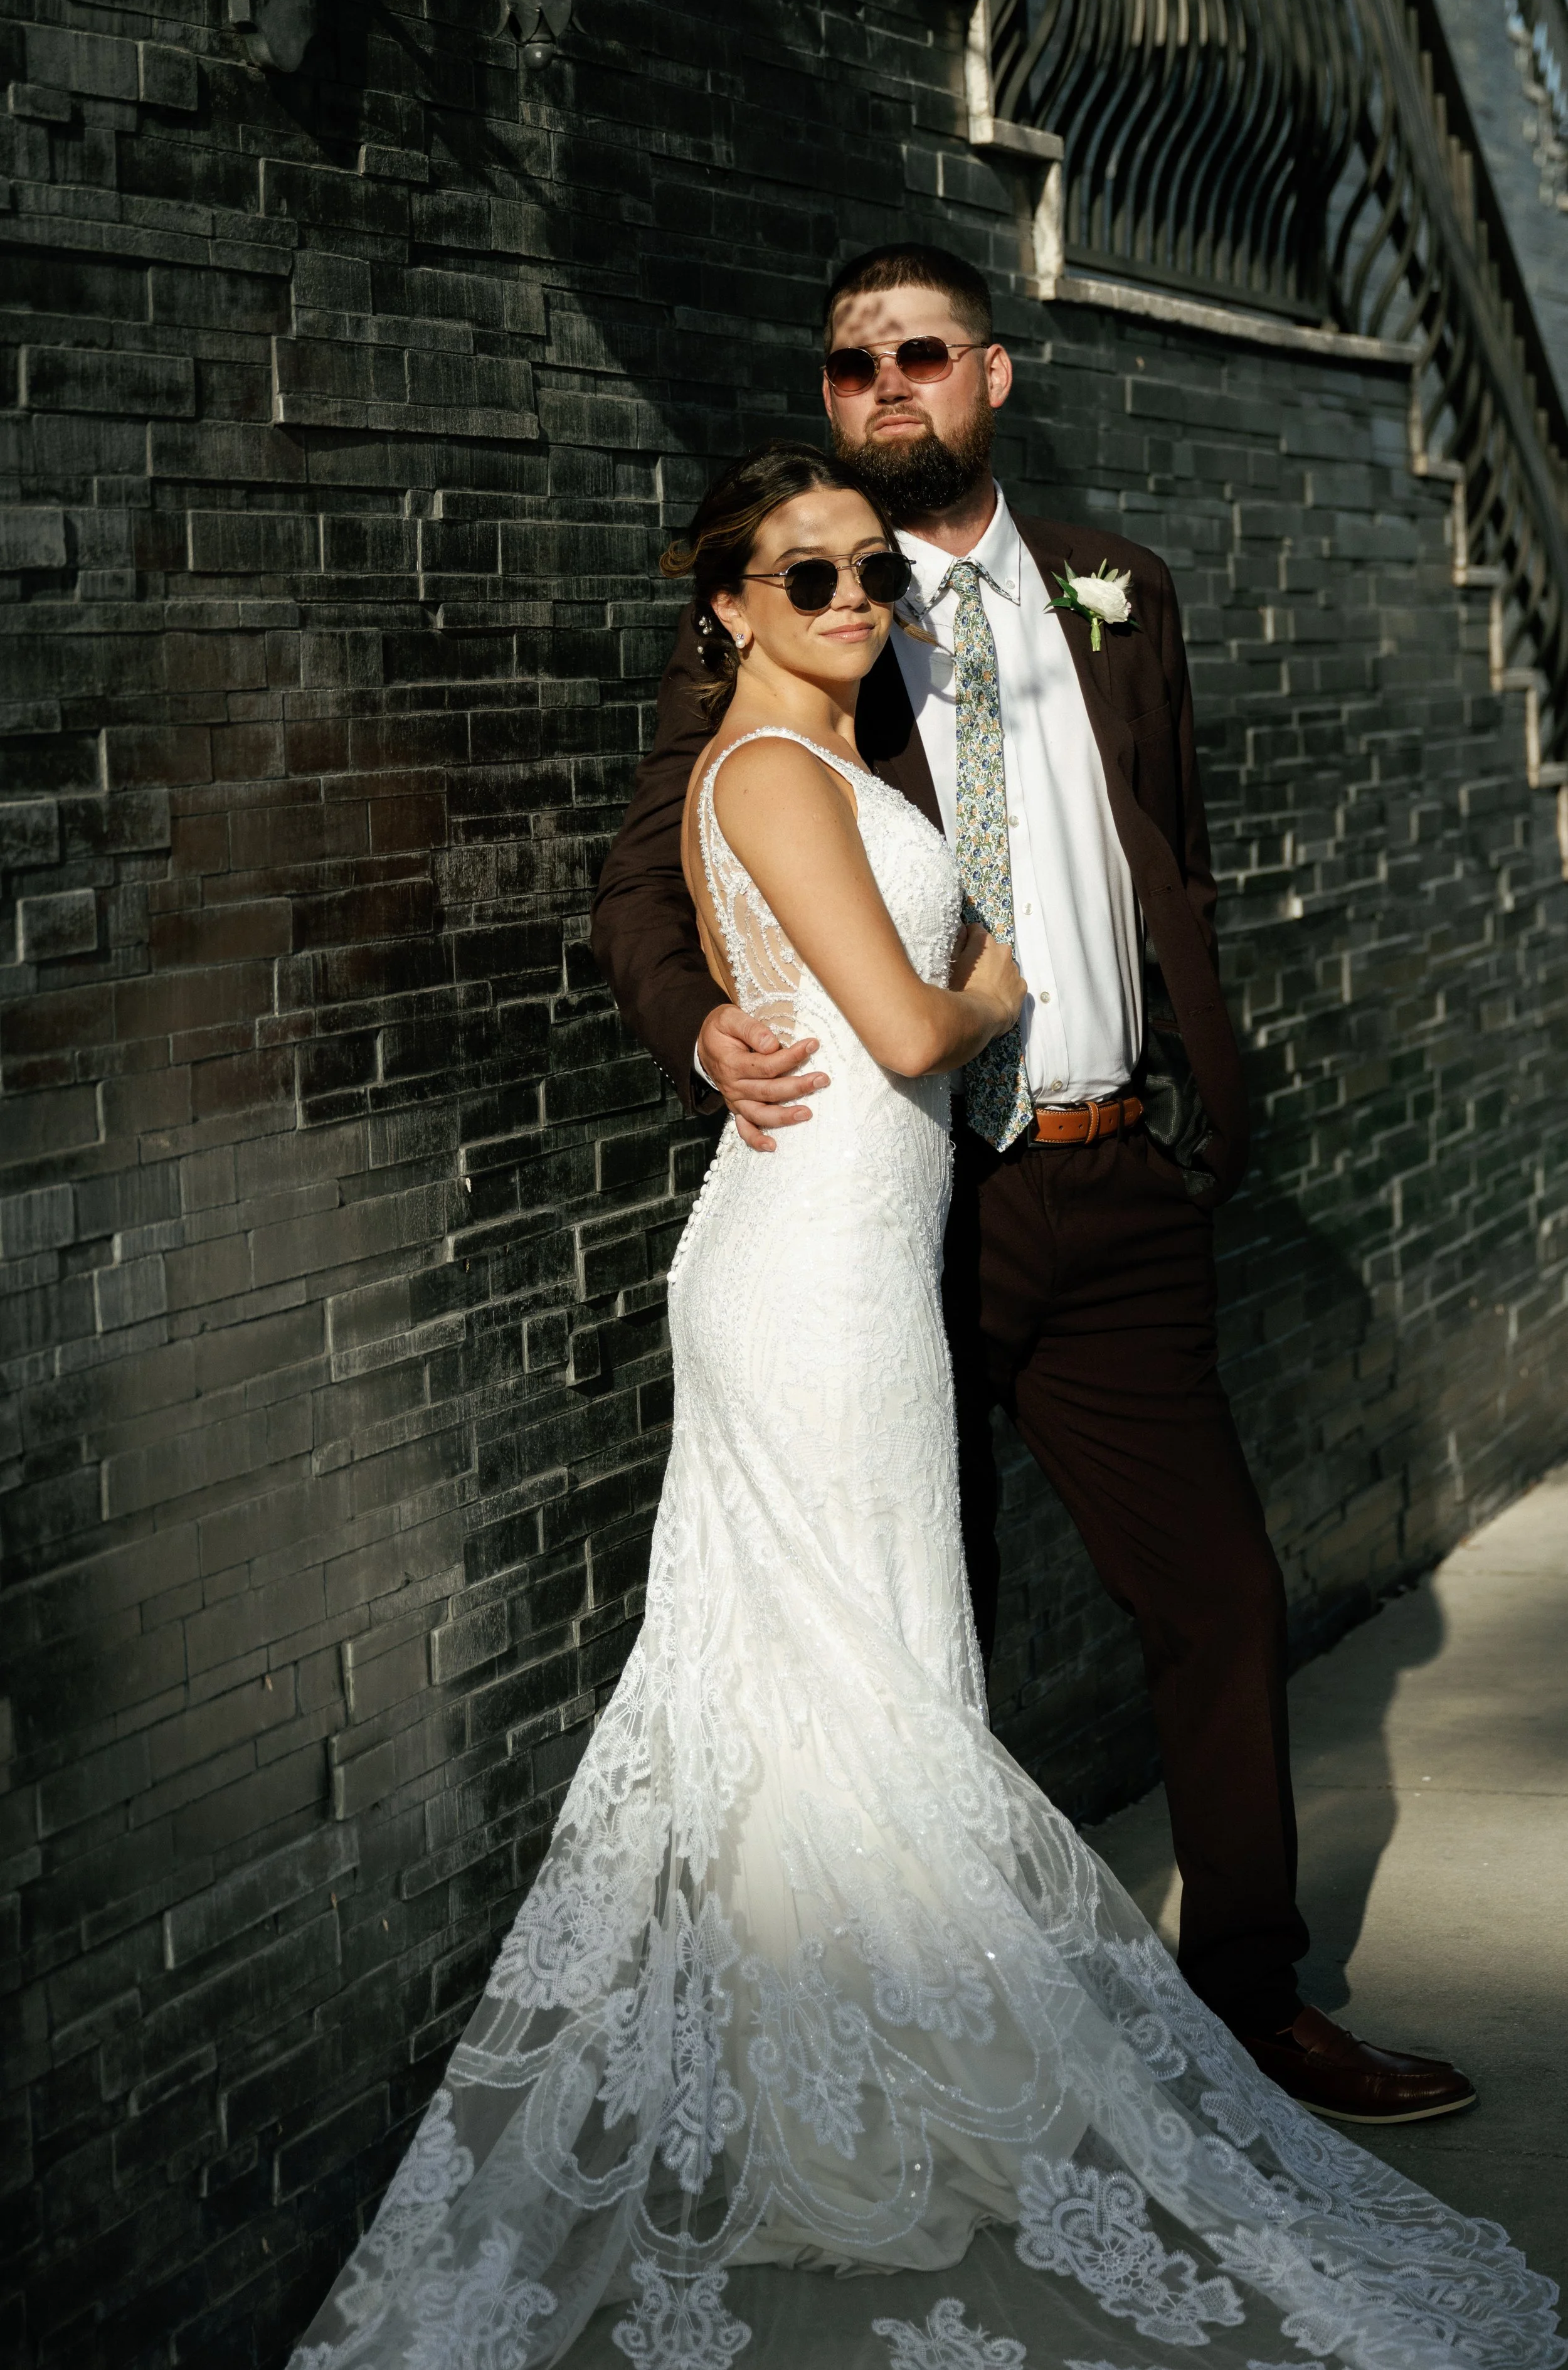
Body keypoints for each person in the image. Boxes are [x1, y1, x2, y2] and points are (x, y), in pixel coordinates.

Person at [288, 442, 1563, 2370]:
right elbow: (891, 1020)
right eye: (806, 579)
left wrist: (956, 976)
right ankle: (864, 2108)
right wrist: (985, 985)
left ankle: (858, 2114)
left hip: (885, 1256)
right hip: (813, 1275)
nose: (852, 600)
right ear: (723, 603)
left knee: (860, 1665)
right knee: (855, 1676)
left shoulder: (890, 708)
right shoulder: (765, 763)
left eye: (868, 569)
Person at [591, 242, 1474, 2122]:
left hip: (1107, 1170)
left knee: (1218, 1596)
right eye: (847, 366)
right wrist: (697, 1027)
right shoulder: (817, 603)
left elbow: (1168, 859)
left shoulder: (1117, 594)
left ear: (994, 374)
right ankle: (947, 2033)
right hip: (910, 1208)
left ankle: (1248, 2002)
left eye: (917, 354)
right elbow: (642, 872)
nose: (881, 387)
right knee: (925, 1633)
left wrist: (1180, 1072)